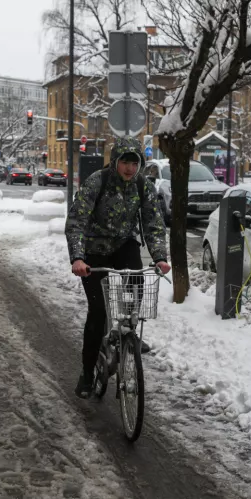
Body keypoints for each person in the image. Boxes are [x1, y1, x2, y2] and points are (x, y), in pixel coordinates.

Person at [65, 136, 170, 398]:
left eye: (135, 164)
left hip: (124, 244)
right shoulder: (97, 181)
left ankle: (127, 334)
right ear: (115, 161)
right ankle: (88, 374)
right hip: (94, 251)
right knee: (98, 311)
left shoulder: (142, 186)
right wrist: (78, 258)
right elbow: (77, 220)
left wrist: (159, 257)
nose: (130, 169)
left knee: (136, 283)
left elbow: (153, 223)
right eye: (125, 162)